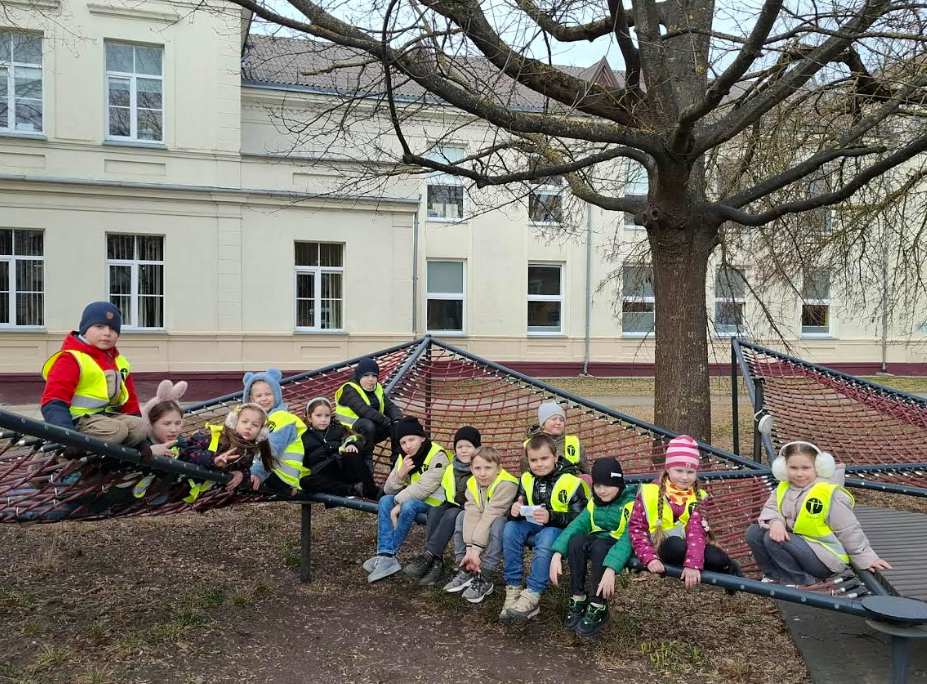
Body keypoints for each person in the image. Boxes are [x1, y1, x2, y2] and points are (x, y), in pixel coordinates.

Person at [746, 440, 892, 588]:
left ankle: (798, 580)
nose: (799, 474)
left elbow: (848, 529)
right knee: (754, 532)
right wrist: (775, 522)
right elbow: (771, 508)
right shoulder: (784, 487)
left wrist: (866, 557)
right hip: (799, 546)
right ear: (783, 468)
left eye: (806, 468)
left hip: (825, 558)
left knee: (774, 540)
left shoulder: (827, 494)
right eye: (793, 468)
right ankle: (774, 575)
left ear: (819, 468)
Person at [628, 435, 742, 590]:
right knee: (674, 545)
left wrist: (692, 564)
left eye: (690, 472)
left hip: (690, 546)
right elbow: (636, 529)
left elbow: (696, 531)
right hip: (661, 547)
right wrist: (649, 557)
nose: (684, 477)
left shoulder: (698, 496)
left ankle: (729, 571)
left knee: (717, 557)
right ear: (668, 468)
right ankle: (699, 563)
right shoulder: (649, 492)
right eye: (679, 470)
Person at [500, 434, 590, 622]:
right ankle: (513, 588)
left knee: (547, 537)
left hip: (559, 528)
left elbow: (580, 519)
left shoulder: (571, 482)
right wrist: (514, 511)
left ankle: (533, 593)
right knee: (510, 529)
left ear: (555, 457)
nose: (539, 464)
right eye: (533, 460)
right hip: (533, 523)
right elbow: (519, 503)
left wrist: (552, 516)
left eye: (544, 458)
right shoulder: (526, 478)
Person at [549, 457, 638, 637]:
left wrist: (611, 569)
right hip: (600, 541)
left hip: (619, 544)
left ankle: (598, 605)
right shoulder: (594, 502)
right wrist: (557, 553)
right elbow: (577, 525)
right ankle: (578, 598)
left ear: (618, 484)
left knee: (599, 547)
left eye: (607, 485)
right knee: (577, 541)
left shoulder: (631, 504)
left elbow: (628, 538)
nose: (602, 490)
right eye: (597, 485)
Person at [40, 301, 147, 451]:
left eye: (113, 329)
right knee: (117, 430)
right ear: (84, 330)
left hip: (106, 419)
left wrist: (141, 442)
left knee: (140, 426)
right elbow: (53, 401)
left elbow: (130, 402)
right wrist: (66, 436)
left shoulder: (119, 361)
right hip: (77, 421)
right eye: (99, 326)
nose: (107, 333)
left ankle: (114, 459)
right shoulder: (71, 358)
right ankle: (71, 450)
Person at [364, 416, 450, 583]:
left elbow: (425, 487)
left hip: (435, 504)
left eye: (412, 440)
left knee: (408, 505)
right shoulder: (404, 457)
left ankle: (389, 555)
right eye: (403, 442)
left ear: (422, 438)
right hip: (411, 498)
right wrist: (401, 473)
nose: (408, 446)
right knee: (385, 500)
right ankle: (385, 555)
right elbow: (389, 489)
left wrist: (398, 503)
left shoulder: (438, 455)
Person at [404, 426, 480, 586]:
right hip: (453, 504)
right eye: (460, 447)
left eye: (469, 446)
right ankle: (435, 563)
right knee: (435, 511)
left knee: (452, 514)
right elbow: (448, 491)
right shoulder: (451, 468)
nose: (464, 450)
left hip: (471, 509)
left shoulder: (480, 468)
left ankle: (428, 555)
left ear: (477, 448)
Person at [445, 446, 518, 604]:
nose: (482, 473)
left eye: (488, 468)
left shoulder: (507, 484)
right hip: (485, 518)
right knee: (462, 516)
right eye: (477, 468)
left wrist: (476, 551)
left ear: (499, 469)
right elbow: (472, 512)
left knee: (498, 524)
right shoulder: (472, 482)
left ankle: (485, 575)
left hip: (505, 522)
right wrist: (470, 550)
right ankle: (466, 568)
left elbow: (492, 514)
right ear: (471, 469)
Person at [177, 403, 274, 502]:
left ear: (262, 432)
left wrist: (242, 474)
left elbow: (245, 467)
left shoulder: (248, 450)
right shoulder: (213, 436)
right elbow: (187, 453)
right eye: (244, 422)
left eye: (255, 425)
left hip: (199, 494)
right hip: (178, 483)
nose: (248, 427)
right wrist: (213, 460)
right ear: (234, 422)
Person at [242, 369, 310, 493]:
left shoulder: (281, 418)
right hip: (271, 471)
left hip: (281, 475)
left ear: (277, 395)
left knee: (237, 479)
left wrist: (257, 472)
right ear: (251, 399)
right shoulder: (258, 420)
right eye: (259, 396)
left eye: (268, 394)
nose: (264, 399)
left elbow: (273, 450)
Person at [299, 397, 376, 498]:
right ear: (309, 418)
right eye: (318, 416)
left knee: (352, 453)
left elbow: (355, 438)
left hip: (342, 467)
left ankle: (372, 489)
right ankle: (352, 489)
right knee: (305, 481)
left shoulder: (337, 428)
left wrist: (351, 444)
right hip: (323, 473)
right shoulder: (303, 435)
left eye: (327, 415)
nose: (323, 419)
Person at [334, 358, 403, 463]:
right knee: (367, 424)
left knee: (396, 425)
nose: (371, 379)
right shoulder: (349, 389)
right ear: (359, 375)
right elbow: (364, 410)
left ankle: (397, 460)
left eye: (374, 376)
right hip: (347, 431)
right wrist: (386, 421)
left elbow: (389, 406)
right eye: (366, 375)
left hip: (368, 432)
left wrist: (398, 420)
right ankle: (367, 458)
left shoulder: (377, 388)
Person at [524, 401, 588, 473]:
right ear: (543, 424)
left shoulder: (573, 442)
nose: (558, 422)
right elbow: (525, 471)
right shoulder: (531, 443)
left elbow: (585, 468)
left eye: (561, 420)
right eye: (554, 419)